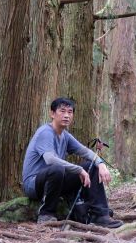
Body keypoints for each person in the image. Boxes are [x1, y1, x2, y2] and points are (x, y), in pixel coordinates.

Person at [22, 97, 123, 227]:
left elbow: (86, 152)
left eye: (70, 112)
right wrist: (78, 169)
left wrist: (101, 163)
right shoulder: (45, 132)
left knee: (91, 167)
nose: (66, 115)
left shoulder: (65, 135)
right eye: (62, 111)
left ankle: (100, 215)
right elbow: (50, 159)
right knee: (57, 168)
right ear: (52, 114)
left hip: (56, 182)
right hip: (34, 184)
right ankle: (46, 214)